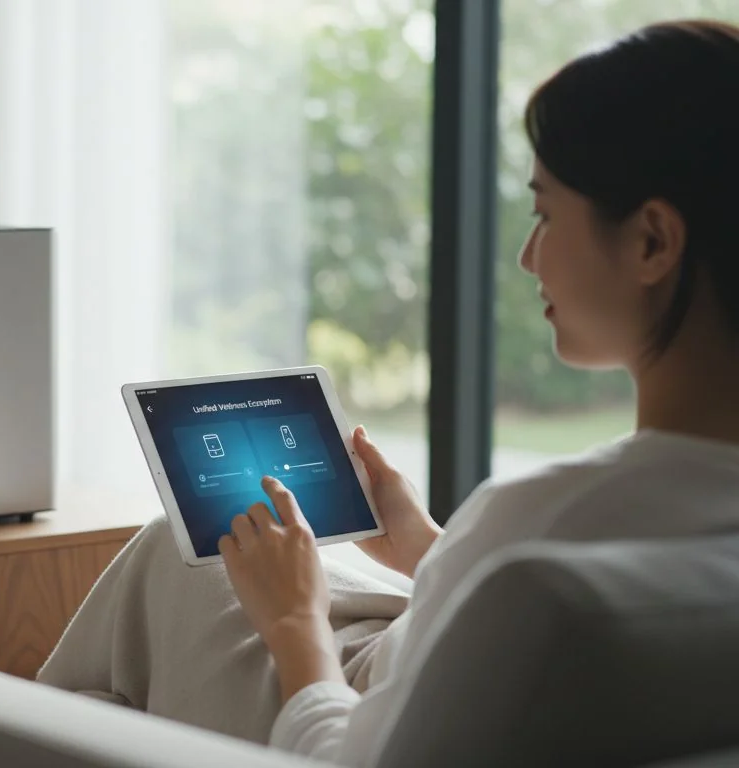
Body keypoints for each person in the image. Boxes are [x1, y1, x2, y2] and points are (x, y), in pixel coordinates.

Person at [42, 19, 739, 767]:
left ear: (652, 242)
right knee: (195, 555)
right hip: (421, 656)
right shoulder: (584, 530)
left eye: (544, 213)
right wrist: (427, 550)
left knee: (173, 555)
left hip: (347, 703)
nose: (528, 256)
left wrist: (294, 627)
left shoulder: (538, 516)